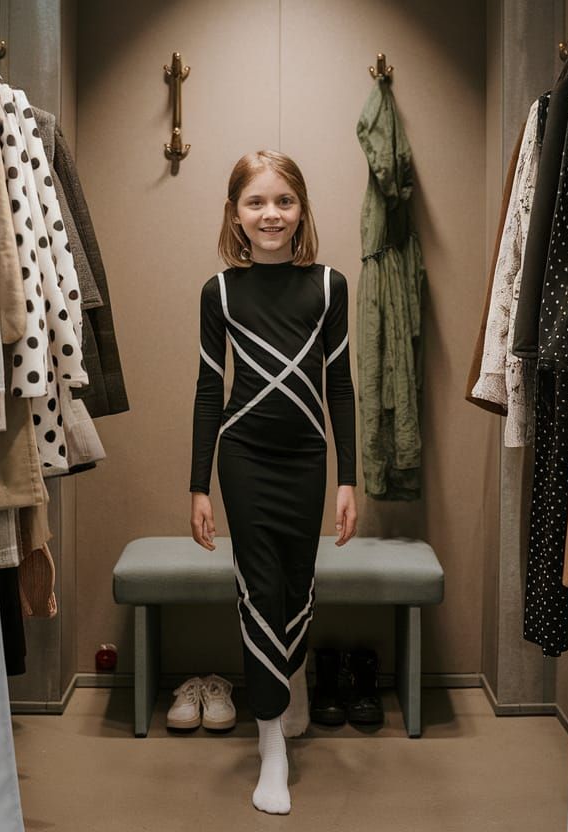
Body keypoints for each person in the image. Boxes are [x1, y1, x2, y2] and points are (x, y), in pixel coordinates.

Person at [189, 150, 358, 814]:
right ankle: (271, 746)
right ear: (235, 214)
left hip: (308, 457)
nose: (270, 214)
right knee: (258, 586)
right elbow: (209, 389)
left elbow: (339, 385)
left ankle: (292, 681)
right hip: (245, 457)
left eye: (283, 201)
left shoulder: (329, 286)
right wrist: (197, 484)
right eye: (255, 202)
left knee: (296, 581)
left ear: (301, 210)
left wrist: (349, 477)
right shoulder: (220, 292)